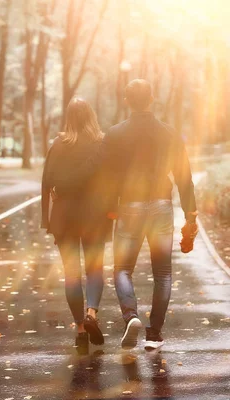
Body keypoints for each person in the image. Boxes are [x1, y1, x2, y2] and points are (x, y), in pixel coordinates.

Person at [64, 79, 198, 350]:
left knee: (123, 269)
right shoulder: (170, 133)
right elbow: (184, 176)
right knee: (163, 273)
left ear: (127, 101)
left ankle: (131, 316)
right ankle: (154, 333)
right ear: (152, 99)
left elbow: (101, 172)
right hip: (161, 206)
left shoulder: (115, 134)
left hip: (129, 208)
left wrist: (67, 181)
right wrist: (190, 214)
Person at [41, 98, 113, 355]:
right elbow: (111, 180)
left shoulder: (58, 146)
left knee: (71, 274)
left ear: (69, 117)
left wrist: (58, 193)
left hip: (65, 218)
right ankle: (92, 312)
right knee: (95, 269)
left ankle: (81, 332)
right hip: (94, 216)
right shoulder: (101, 144)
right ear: (92, 116)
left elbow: (49, 180)